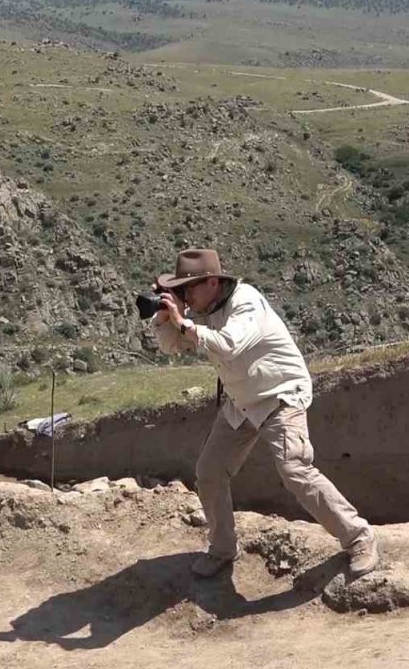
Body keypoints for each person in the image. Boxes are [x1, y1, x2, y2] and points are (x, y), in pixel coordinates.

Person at [151, 248, 380, 579]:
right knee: (210, 472)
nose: (185, 294)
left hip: (280, 395)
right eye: (180, 289)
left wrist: (184, 321)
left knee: (295, 469)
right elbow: (171, 346)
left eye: (189, 287)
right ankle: (222, 548)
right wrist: (165, 315)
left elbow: (228, 344)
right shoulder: (200, 308)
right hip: (242, 401)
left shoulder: (246, 301)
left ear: (213, 282)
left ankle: (359, 538)